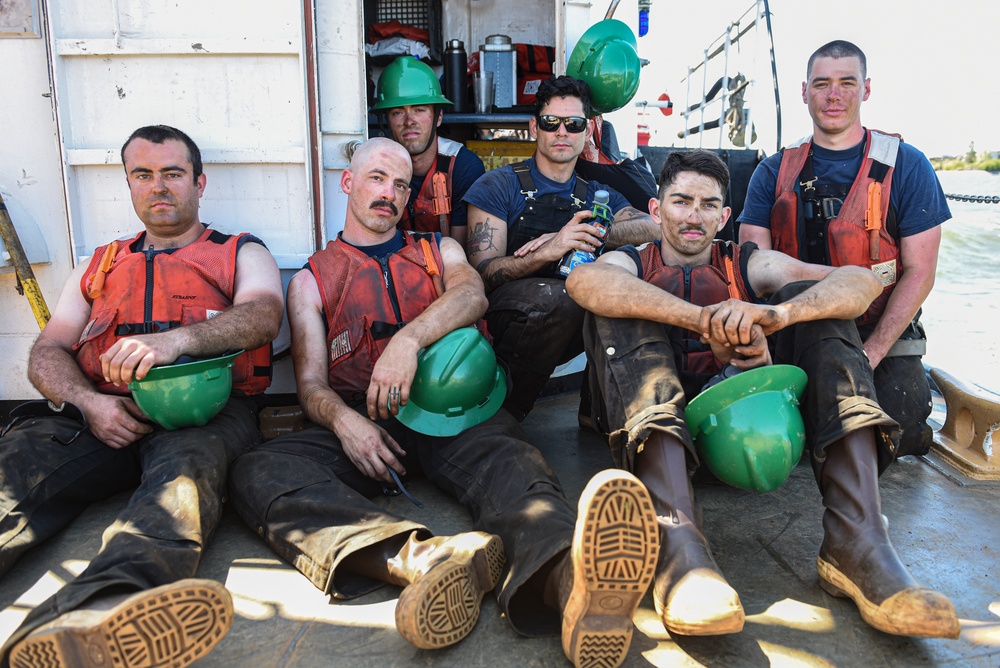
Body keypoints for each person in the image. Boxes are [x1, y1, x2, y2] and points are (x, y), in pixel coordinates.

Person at [225, 137, 659, 668]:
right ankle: (423, 559)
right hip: (370, 421)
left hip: (456, 414)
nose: (390, 194)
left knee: (519, 469)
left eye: (401, 185)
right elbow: (312, 384)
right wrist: (344, 423)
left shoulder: (439, 250)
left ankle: (569, 585)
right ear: (348, 181)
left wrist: (406, 342)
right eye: (377, 179)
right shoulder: (312, 279)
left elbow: (472, 295)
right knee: (258, 469)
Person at [566, 149, 960, 640]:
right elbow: (585, 282)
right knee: (618, 309)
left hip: (734, 438)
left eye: (709, 205)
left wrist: (775, 318)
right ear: (655, 209)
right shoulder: (627, 260)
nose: (694, 215)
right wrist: (703, 319)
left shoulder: (746, 263)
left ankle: (858, 540)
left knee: (822, 310)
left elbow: (859, 282)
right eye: (681, 201)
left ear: (725, 217)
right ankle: (677, 546)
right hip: (651, 443)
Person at [0, 125, 285, 667]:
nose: (159, 187)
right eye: (143, 175)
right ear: (128, 185)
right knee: (17, 465)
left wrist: (176, 340)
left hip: (206, 416)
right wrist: (89, 403)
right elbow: (47, 351)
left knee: (181, 485)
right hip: (103, 415)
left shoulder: (238, 251)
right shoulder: (100, 264)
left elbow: (263, 314)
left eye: (173, 174)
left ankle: (99, 614)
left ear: (199, 182)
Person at [738, 40, 949, 459]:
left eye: (847, 83)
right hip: (798, 327)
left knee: (897, 434)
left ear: (866, 89)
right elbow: (751, 265)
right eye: (822, 84)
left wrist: (871, 353)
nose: (834, 95)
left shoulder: (909, 165)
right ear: (804, 92)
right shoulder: (773, 171)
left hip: (879, 330)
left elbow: (920, 271)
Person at [463, 75, 659, 421]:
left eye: (574, 123)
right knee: (562, 297)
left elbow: (651, 225)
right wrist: (549, 249)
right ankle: (503, 415)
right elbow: (482, 273)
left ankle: (599, 414)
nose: (562, 132)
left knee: (623, 293)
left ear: (588, 130)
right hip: (506, 317)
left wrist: (583, 231)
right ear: (534, 127)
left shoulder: (598, 194)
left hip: (570, 314)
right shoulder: (497, 185)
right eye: (551, 122)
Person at [371, 56, 486, 247]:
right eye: (398, 112)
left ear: (438, 117)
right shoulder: (375, 167)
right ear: (386, 122)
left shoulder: (463, 166)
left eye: (419, 110)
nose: (409, 121)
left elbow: (461, 251)